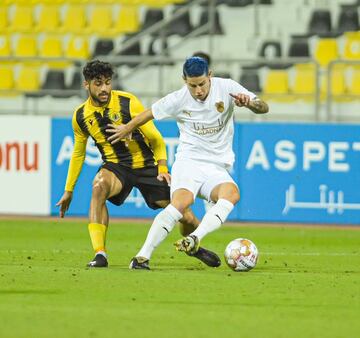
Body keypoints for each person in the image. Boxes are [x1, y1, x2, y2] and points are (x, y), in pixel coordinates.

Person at [56, 59, 221, 269]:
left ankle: (194, 247)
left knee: (186, 216)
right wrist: (68, 190)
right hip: (116, 168)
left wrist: (162, 168)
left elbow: (156, 139)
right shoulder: (80, 116)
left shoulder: (127, 102)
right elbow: (78, 153)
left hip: (147, 167)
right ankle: (100, 254)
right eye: (98, 83)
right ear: (86, 85)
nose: (105, 88)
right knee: (99, 186)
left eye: (108, 82)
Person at [106, 56, 269, 264]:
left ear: (210, 76)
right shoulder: (178, 98)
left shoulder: (227, 87)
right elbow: (148, 114)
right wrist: (126, 128)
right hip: (189, 162)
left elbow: (263, 107)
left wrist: (251, 104)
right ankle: (141, 257)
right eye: (193, 85)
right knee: (180, 204)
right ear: (185, 80)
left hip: (216, 166)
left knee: (232, 193)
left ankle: (194, 238)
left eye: (202, 84)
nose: (198, 90)